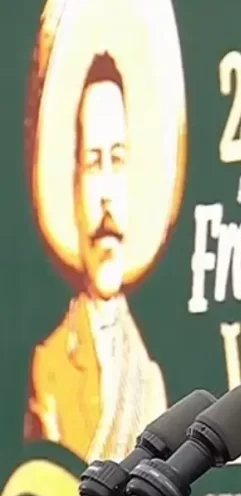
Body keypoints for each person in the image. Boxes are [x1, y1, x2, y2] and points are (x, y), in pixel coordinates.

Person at [24, 51, 167, 463]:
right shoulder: (50, 368)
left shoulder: (149, 380)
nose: (106, 193)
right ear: (73, 186)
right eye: (92, 163)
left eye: (117, 160)